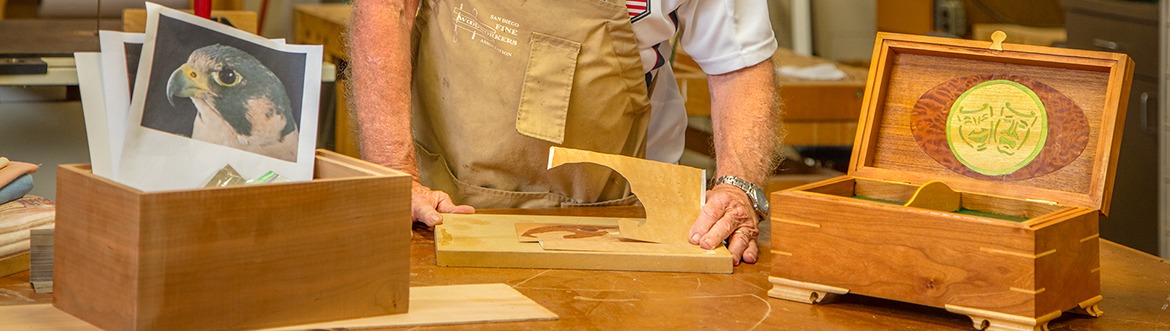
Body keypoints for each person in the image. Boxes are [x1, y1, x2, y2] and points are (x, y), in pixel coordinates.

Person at [348, 0, 782, 265]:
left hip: (623, 215)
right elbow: (386, 7)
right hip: (440, 203)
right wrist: (393, 173)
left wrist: (739, 187)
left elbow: (739, 61)